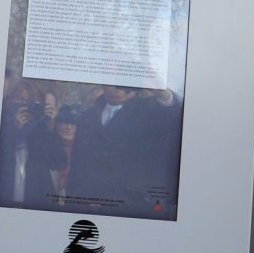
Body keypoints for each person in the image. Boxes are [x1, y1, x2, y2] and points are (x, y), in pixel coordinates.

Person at [66, 85, 182, 219]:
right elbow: (77, 164)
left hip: (135, 208)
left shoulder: (151, 112)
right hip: (90, 208)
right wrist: (73, 200)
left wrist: (163, 93)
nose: (118, 85)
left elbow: (171, 115)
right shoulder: (88, 116)